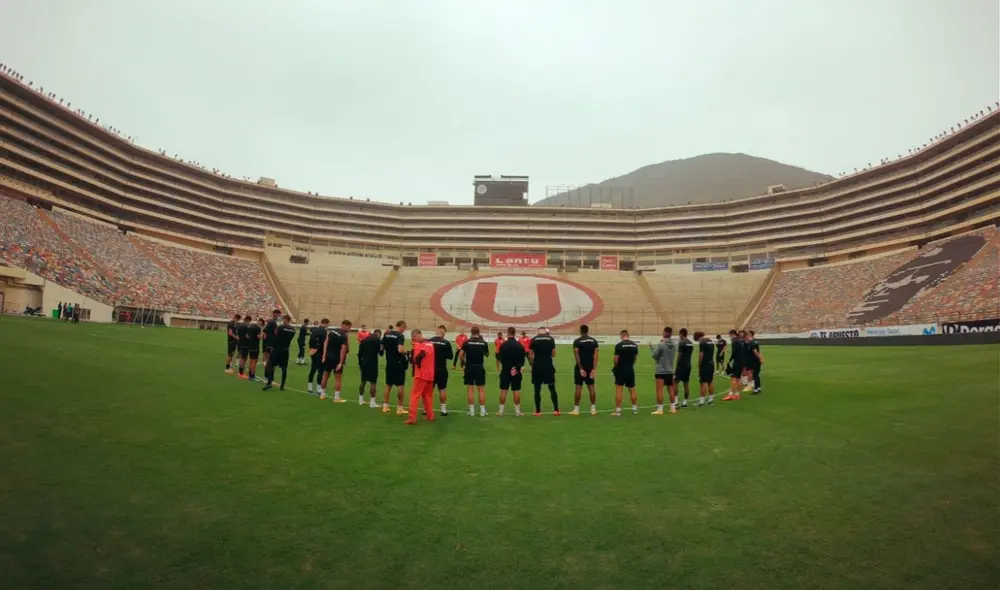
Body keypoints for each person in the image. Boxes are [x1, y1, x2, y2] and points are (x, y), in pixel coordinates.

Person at [404, 329, 436, 425]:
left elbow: (417, 359)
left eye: (414, 338)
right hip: (430, 374)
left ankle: (412, 417)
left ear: (416, 336)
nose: (414, 340)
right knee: (427, 396)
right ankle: (430, 415)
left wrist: (413, 349)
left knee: (414, 395)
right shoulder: (430, 344)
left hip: (421, 374)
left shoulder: (419, 345)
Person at [528, 326, 559, 416]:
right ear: (545, 331)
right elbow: (553, 354)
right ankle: (556, 410)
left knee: (537, 389)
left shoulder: (533, 339)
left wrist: (532, 364)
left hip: (537, 366)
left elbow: (530, 354)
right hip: (548, 365)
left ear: (538, 331)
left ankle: (538, 411)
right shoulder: (551, 339)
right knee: (552, 387)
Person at [459, 326, 490, 416]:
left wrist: (464, 363)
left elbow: (461, 355)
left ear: (471, 332)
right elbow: (487, 354)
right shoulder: (483, 343)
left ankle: (471, 411)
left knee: (470, 389)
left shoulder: (466, 342)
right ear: (478, 332)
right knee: (481, 389)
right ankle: (482, 411)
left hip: (469, 367)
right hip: (479, 366)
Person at [320, 319, 352, 402]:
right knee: (338, 378)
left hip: (328, 357)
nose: (350, 329)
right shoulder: (344, 336)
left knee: (325, 375)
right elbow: (343, 349)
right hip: (337, 359)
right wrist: (341, 363)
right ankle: (336, 398)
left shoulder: (332, 331)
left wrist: (324, 354)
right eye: (349, 327)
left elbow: (326, 342)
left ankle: (322, 394)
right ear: (345, 325)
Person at [497, 327, 526, 417]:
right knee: (516, 391)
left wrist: (507, 366)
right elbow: (522, 361)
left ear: (508, 333)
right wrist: (516, 368)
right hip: (516, 371)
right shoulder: (520, 346)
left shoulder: (503, 345)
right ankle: (517, 412)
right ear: (515, 333)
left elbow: (500, 358)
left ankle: (501, 411)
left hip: (505, 370)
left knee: (503, 391)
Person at [571, 324, 599, 415]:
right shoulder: (594, 341)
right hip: (590, 367)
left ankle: (576, 409)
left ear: (580, 331)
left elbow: (576, 355)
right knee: (591, 388)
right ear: (587, 331)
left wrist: (580, 368)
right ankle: (593, 409)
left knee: (578, 388)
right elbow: (596, 356)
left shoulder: (577, 341)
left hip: (581, 367)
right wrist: (594, 369)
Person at [381, 321, 409, 414]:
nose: (404, 330)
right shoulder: (400, 336)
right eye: (404, 328)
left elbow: (382, 347)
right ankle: (399, 408)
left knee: (388, 385)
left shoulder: (387, 334)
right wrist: (406, 352)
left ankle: (385, 406)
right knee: (400, 385)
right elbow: (400, 349)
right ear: (401, 326)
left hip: (389, 363)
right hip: (398, 363)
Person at [263, 315, 296, 391]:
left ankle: (269, 383)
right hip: (285, 350)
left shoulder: (281, 327)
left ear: (285, 319)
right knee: (284, 368)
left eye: (283, 319)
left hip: (277, 349)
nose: (282, 321)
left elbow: (276, 335)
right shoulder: (293, 329)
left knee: (270, 365)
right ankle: (282, 386)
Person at [611, 329, 639, 416]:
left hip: (620, 369)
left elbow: (616, 360)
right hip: (630, 369)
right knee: (632, 389)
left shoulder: (619, 346)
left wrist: (616, 367)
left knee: (619, 389)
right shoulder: (634, 345)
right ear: (628, 335)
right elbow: (635, 359)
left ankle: (618, 411)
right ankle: (634, 409)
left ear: (621, 335)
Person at [649, 326, 677, 414]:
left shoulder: (661, 344)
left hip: (661, 370)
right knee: (671, 389)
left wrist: (651, 348)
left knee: (659, 389)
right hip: (670, 370)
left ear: (665, 333)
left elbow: (655, 356)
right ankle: (673, 408)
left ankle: (660, 409)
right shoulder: (674, 344)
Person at [428, 326, 454, 416]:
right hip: (442, 368)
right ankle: (443, 410)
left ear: (436, 331)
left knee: (429, 390)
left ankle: (426, 408)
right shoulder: (446, 343)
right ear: (444, 333)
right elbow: (450, 356)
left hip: (431, 369)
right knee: (442, 389)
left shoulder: (429, 341)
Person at [357, 328, 383, 407]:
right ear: (379, 334)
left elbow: (359, 353)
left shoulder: (364, 340)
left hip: (364, 363)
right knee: (373, 383)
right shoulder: (378, 340)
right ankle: (372, 402)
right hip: (373, 363)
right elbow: (381, 353)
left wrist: (360, 364)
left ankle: (361, 400)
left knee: (363, 381)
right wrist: (382, 347)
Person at [306, 319, 329, 394]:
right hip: (320, 352)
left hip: (313, 352)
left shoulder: (314, 330)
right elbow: (324, 343)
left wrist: (312, 349)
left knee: (313, 369)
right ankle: (318, 388)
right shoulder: (324, 331)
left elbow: (311, 341)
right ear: (325, 323)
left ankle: (310, 387)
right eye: (327, 324)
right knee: (321, 370)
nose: (327, 326)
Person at [695, 331, 716, 406]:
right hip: (711, 363)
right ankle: (711, 399)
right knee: (710, 381)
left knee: (703, 382)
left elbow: (701, 355)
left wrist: (699, 364)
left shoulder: (702, 342)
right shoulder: (710, 341)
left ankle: (702, 401)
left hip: (705, 364)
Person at [675, 328, 694, 408]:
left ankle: (676, 402)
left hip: (681, 365)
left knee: (674, 382)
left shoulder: (682, 342)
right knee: (686, 384)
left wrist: (677, 364)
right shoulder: (691, 343)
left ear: (681, 334)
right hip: (688, 365)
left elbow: (680, 355)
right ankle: (685, 402)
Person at [723, 329, 743, 401]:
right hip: (741, 361)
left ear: (732, 334)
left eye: (729, 335)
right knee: (738, 378)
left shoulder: (734, 341)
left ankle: (731, 394)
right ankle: (737, 395)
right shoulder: (740, 340)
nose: (729, 337)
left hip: (736, 361)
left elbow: (734, 352)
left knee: (733, 377)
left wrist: (730, 360)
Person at [746, 329, 763, 394]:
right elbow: (758, 351)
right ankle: (758, 388)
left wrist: (760, 358)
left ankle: (756, 389)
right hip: (756, 361)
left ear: (750, 335)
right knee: (756, 375)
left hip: (754, 361)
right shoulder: (755, 341)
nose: (746, 336)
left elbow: (755, 352)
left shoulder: (751, 343)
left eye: (747, 334)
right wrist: (760, 358)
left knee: (754, 375)